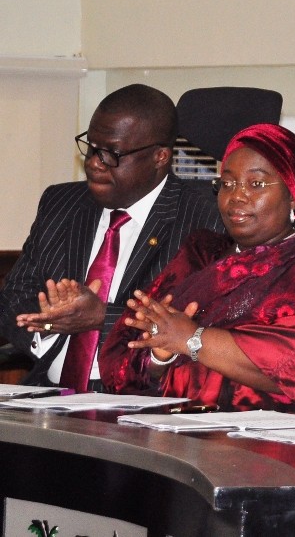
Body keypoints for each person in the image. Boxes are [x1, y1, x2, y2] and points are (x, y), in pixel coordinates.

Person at [100, 124, 295, 415]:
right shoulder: (201, 254)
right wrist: (160, 357)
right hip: (177, 428)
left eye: (256, 184)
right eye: (227, 183)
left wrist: (193, 338)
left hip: (276, 439)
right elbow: (129, 349)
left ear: (293, 196)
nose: (236, 196)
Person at [0, 84, 223, 392]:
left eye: (112, 154)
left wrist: (102, 318)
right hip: (47, 394)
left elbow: (203, 320)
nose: (94, 162)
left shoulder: (206, 218)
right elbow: (15, 294)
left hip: (145, 402)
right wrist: (49, 324)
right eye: (92, 147)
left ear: (160, 157)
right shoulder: (61, 202)